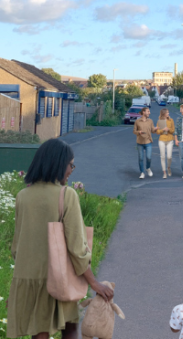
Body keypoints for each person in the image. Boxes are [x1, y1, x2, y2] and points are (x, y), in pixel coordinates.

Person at [7, 138, 114, 339]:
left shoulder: (23, 195)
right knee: (70, 329)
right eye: (70, 164)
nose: (72, 169)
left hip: (28, 278)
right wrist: (94, 283)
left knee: (38, 333)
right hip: (58, 278)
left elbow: (16, 246)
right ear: (57, 164)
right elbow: (76, 247)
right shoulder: (66, 194)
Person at [133, 106, 155, 179]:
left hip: (148, 142)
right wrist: (139, 132)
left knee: (149, 157)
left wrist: (156, 129)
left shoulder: (150, 121)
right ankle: (142, 172)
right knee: (141, 158)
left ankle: (148, 168)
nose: (149, 113)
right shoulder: (137, 121)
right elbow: (134, 131)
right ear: (144, 112)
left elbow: (152, 130)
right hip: (140, 143)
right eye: (148, 111)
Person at [155, 108, 175, 178]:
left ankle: (168, 168)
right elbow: (157, 132)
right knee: (162, 156)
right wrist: (163, 130)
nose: (168, 113)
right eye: (167, 112)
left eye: (168, 112)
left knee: (169, 156)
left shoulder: (171, 120)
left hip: (170, 140)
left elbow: (173, 131)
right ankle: (164, 172)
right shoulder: (159, 121)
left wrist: (168, 129)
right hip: (162, 140)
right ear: (163, 113)